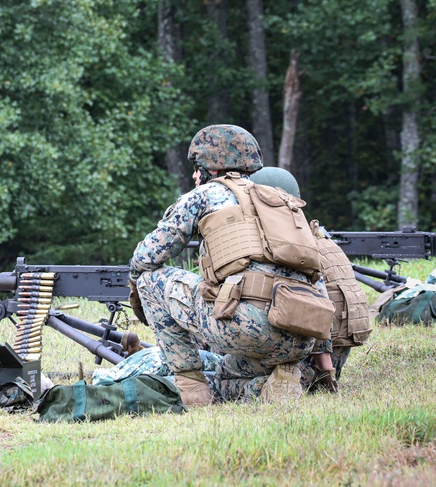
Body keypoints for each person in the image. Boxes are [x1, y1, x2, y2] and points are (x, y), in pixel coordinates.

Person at [127, 125, 331, 406]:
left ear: (209, 168)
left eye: (197, 168)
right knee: (224, 376)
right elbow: (316, 279)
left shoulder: (202, 196)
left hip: (248, 329)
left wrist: (136, 290)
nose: (194, 175)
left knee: (150, 280)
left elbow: (147, 258)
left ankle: (191, 389)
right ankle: (271, 386)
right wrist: (324, 362)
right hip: (298, 337)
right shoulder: (284, 201)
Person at [249, 166, 371, 392]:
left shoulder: (291, 249)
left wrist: (324, 374)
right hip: (331, 362)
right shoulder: (321, 240)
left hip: (304, 367)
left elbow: (316, 313)